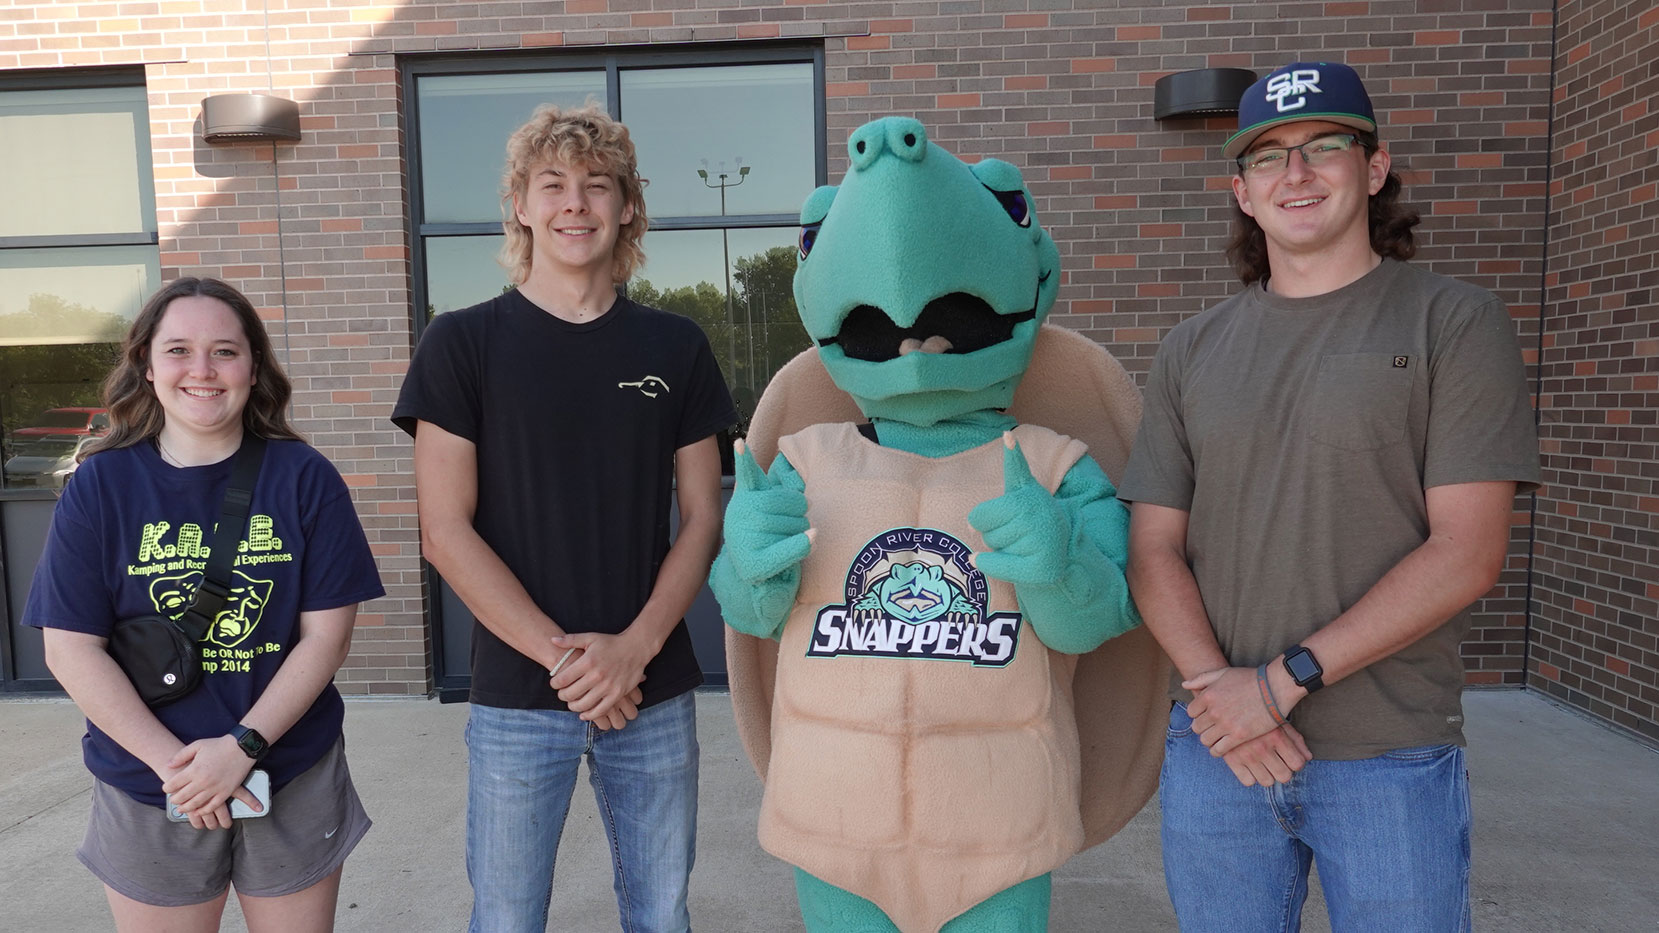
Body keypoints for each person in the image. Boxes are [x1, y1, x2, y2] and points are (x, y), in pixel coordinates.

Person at [1119, 61, 1540, 931]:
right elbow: (1151, 545)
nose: (1296, 173)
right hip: (1218, 752)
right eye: (1269, 157)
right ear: (1241, 191)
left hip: (1387, 753)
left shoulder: (1452, 323)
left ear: (1374, 168)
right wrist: (1219, 692)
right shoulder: (1190, 349)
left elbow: (1467, 549)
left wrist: (1275, 684)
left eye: (1324, 146)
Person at [391, 104, 735, 933]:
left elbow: (702, 516)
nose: (574, 203)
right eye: (553, 184)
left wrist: (633, 651)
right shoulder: (461, 343)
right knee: (506, 918)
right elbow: (445, 530)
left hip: (651, 691)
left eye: (596, 185)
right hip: (516, 695)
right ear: (521, 205)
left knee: (661, 915)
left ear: (625, 208)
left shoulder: (673, 345)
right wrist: (571, 663)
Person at [24, 276, 385, 932]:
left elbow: (325, 638)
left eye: (224, 351)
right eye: (178, 350)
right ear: (146, 364)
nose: (202, 370)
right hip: (147, 781)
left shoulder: (305, 478)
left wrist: (242, 745)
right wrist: (177, 768)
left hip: (291, 769)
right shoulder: (100, 485)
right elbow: (69, 647)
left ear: (253, 366)